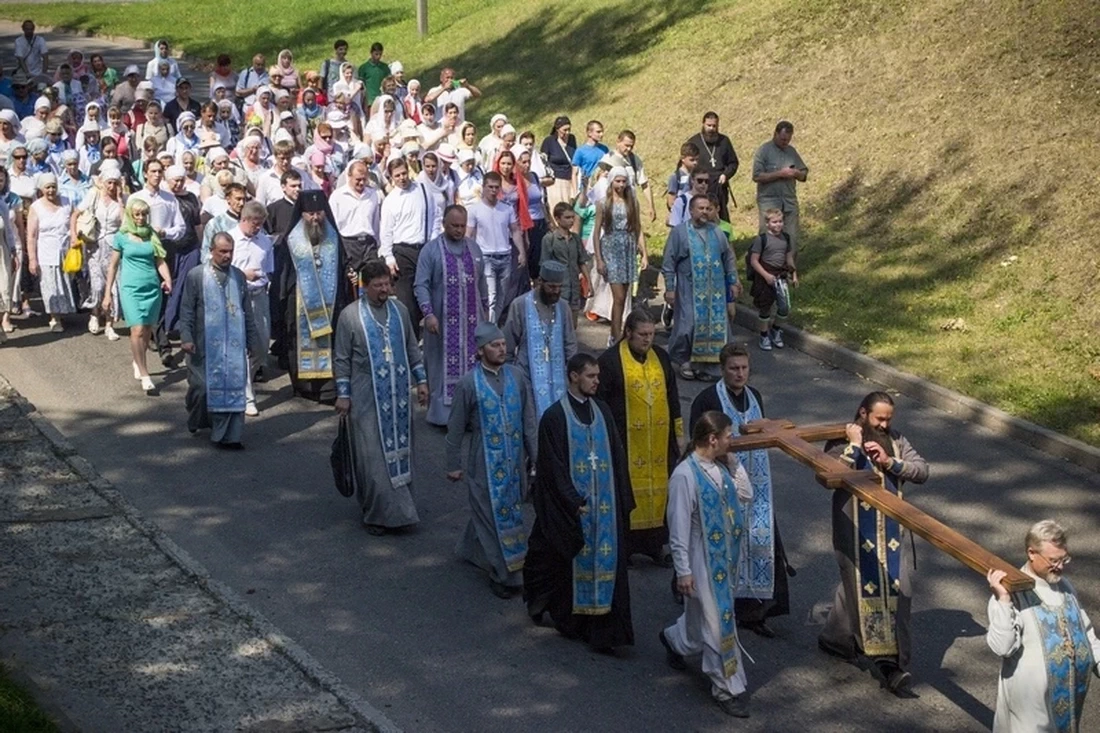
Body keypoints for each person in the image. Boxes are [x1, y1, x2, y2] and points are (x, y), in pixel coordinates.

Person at [819, 391, 930, 695]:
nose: (883, 425)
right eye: (879, 418)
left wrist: (891, 462)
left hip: (891, 533)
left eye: (888, 419)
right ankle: (889, 667)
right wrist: (854, 447)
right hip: (855, 532)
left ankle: (835, 638)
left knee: (899, 592)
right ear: (863, 413)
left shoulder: (896, 440)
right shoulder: (841, 440)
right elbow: (828, 473)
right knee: (863, 590)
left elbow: (922, 470)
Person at [523, 353, 635, 652]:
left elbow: (617, 456)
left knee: (608, 566)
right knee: (557, 559)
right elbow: (553, 467)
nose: (597, 381)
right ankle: (570, 618)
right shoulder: (555, 417)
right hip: (573, 509)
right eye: (591, 376)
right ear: (574, 376)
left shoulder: (603, 412)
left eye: (598, 376)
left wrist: (624, 500)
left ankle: (604, 630)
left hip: (606, 510)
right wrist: (572, 500)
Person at [689, 344, 792, 637]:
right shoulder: (708, 398)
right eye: (734, 368)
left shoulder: (755, 396)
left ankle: (754, 610)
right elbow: (697, 442)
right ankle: (710, 598)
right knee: (719, 543)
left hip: (756, 483)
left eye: (744, 368)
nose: (740, 373)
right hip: (721, 482)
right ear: (723, 369)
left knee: (758, 542)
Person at [661, 410, 753, 718]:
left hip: (724, 558)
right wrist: (683, 570)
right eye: (728, 436)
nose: (732, 441)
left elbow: (746, 494)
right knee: (717, 623)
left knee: (698, 622)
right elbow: (678, 528)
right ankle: (726, 687)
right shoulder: (685, 476)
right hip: (701, 559)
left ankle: (675, 639)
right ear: (712, 438)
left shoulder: (720, 467)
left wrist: (733, 463)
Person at [334, 259, 428, 536]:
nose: (384, 289)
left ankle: (401, 512)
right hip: (365, 394)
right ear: (365, 286)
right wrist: (343, 395)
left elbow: (412, 347)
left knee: (401, 452)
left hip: (399, 393)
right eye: (377, 285)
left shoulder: (399, 311)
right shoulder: (350, 316)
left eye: (387, 283)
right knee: (372, 456)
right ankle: (376, 514)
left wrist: (421, 381)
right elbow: (341, 358)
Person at [446, 321, 538, 598]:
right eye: (494, 345)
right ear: (480, 350)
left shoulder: (517, 377)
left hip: (514, 464)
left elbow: (529, 422)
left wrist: (537, 458)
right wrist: (452, 464)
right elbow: (456, 427)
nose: (501, 349)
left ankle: (470, 550)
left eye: (502, 344)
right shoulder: (468, 384)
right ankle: (505, 574)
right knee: (490, 513)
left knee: (507, 515)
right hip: (483, 462)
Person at [986, 519, 1100, 732]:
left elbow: (1084, 632)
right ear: (1031, 553)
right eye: (1053, 560)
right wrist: (1003, 600)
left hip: (1068, 699)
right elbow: (1002, 646)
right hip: (1030, 708)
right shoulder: (1011, 591)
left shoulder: (1064, 586)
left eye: (1064, 559)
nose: (1060, 567)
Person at [596, 307, 681, 564]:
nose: (647, 339)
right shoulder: (610, 362)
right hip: (625, 443)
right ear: (628, 332)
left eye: (652, 334)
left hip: (659, 441)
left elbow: (672, 397)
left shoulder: (662, 359)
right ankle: (627, 547)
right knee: (626, 493)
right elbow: (600, 405)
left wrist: (678, 435)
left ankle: (656, 545)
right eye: (642, 334)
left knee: (660, 492)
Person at [179, 231, 257, 448]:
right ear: (211, 251)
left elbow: (246, 312)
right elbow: (186, 310)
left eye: (230, 251)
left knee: (233, 388)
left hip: (233, 347)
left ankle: (230, 437)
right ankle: (196, 417)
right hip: (202, 345)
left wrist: (252, 340)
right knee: (202, 388)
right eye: (222, 251)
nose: (227, 256)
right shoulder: (197, 275)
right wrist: (185, 336)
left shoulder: (238, 277)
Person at [275, 189, 353, 403]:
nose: (315, 218)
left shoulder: (334, 238)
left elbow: (343, 266)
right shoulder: (291, 240)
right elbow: (284, 273)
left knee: (332, 340)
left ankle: (329, 389)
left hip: (331, 301)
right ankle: (305, 388)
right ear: (302, 214)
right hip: (300, 301)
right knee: (301, 339)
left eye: (319, 213)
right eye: (310, 214)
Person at [415, 205, 488, 427]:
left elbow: (482, 284)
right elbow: (421, 284)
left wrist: (486, 317)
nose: (458, 230)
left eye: (462, 226)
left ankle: (470, 415)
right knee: (440, 368)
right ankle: (442, 417)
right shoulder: (431, 251)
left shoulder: (474, 250)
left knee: (473, 368)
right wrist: (428, 314)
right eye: (454, 226)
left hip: (472, 325)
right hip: (442, 325)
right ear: (444, 224)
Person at [662, 196, 739, 380]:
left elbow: (728, 258)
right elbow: (668, 261)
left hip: (715, 290)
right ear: (691, 210)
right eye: (700, 208)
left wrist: (734, 281)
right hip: (689, 287)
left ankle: (709, 367)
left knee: (715, 327)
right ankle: (685, 360)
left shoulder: (717, 232)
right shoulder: (680, 232)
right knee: (688, 324)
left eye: (707, 208)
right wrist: (670, 288)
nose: (704, 212)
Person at [103, 198, 173, 394]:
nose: (141, 218)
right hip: (131, 288)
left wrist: (168, 279)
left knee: (148, 329)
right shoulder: (122, 237)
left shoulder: (151, 235)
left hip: (152, 288)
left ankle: (138, 359)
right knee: (137, 329)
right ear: (131, 216)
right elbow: (113, 266)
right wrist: (107, 294)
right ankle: (144, 374)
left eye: (144, 214)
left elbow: (160, 260)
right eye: (137, 214)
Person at [502, 261, 576, 420]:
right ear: (540, 282)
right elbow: (507, 346)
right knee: (531, 427)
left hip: (559, 381)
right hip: (526, 378)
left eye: (559, 288)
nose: (556, 292)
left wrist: (573, 374)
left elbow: (570, 344)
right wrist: (509, 379)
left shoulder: (563, 307)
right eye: (551, 287)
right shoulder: (520, 305)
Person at [379, 158, 436, 338]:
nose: (402, 178)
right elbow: (386, 230)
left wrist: (433, 243)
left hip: (424, 247)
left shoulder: (423, 190)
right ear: (391, 177)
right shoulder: (391, 200)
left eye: (404, 173)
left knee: (427, 293)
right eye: (397, 175)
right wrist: (389, 257)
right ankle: (409, 337)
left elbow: (435, 216)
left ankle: (427, 334)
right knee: (406, 299)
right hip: (402, 251)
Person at [229, 200, 274, 416]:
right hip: (237, 296)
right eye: (255, 224)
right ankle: (247, 396)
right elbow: (217, 268)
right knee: (245, 347)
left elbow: (269, 269)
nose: (258, 228)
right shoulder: (230, 239)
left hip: (260, 295)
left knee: (261, 346)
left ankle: (244, 380)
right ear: (244, 219)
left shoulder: (264, 241)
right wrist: (241, 274)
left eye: (261, 224)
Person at [593, 167, 646, 345]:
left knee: (625, 295)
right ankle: (615, 336)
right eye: (618, 181)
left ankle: (621, 332)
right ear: (612, 181)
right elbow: (596, 232)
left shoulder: (632, 202)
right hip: (611, 248)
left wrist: (644, 254)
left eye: (624, 181)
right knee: (619, 297)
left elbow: (638, 228)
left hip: (627, 246)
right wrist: (599, 259)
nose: (621, 185)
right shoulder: (603, 203)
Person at [71, 166, 124, 339]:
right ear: (103, 182)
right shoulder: (94, 195)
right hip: (94, 245)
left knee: (113, 286)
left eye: (115, 183)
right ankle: (95, 313)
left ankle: (109, 324)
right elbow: (75, 214)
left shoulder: (122, 199)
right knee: (98, 285)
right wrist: (73, 235)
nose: (112, 186)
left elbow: (125, 224)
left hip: (114, 247)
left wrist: (121, 201)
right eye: (109, 182)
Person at [25, 173, 75, 332]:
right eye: (48, 187)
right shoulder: (36, 207)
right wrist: (32, 259)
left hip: (65, 252)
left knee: (65, 283)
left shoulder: (67, 202)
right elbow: (31, 235)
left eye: (53, 187)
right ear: (42, 189)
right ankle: (54, 318)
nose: (51, 190)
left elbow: (74, 223)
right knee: (50, 286)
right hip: (46, 251)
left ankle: (62, 312)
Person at [752, 120, 808, 249]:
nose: (785, 142)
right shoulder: (763, 151)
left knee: (792, 237)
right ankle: (765, 267)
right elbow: (757, 176)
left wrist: (796, 173)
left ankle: (790, 267)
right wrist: (780, 174)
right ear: (775, 134)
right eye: (783, 139)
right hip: (769, 201)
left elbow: (804, 174)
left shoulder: (791, 151)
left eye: (788, 140)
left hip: (789, 201)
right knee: (767, 237)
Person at [749, 208, 798, 351]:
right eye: (774, 222)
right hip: (765, 276)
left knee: (784, 307)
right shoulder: (761, 239)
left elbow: (789, 258)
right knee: (765, 308)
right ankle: (764, 335)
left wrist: (794, 274)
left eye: (780, 221)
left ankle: (776, 330)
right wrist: (765, 275)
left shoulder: (786, 238)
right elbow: (754, 261)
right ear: (767, 223)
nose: (778, 225)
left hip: (780, 276)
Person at [540, 202, 590, 326]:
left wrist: (588, 283)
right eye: (567, 218)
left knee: (572, 325)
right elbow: (544, 265)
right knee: (557, 323)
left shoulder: (576, 239)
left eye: (572, 217)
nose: (571, 221)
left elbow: (581, 261)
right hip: (558, 289)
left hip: (574, 288)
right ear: (557, 219)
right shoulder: (550, 239)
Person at [685, 112, 738, 222]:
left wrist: (726, 174)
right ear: (703, 124)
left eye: (714, 126)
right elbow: (686, 163)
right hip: (701, 186)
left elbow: (733, 163)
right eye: (709, 125)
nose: (711, 128)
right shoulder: (694, 142)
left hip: (719, 185)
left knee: (721, 217)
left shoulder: (724, 141)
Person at [330, 159, 383, 268]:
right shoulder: (337, 196)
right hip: (348, 244)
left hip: (369, 244)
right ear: (349, 176)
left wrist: (378, 244)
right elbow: (333, 224)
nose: (362, 183)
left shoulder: (373, 194)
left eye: (364, 179)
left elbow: (375, 222)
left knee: (371, 280)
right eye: (358, 179)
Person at [541, 116, 577, 210]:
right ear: (557, 129)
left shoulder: (572, 139)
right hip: (556, 181)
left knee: (570, 208)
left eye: (569, 129)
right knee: (558, 209)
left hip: (570, 179)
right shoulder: (549, 141)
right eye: (564, 130)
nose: (567, 133)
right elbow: (543, 160)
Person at [571, 120, 607, 195]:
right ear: (589, 133)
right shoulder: (580, 151)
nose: (601, 134)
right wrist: (575, 192)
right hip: (586, 189)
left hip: (602, 188)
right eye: (598, 132)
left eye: (602, 132)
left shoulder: (604, 149)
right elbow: (574, 173)